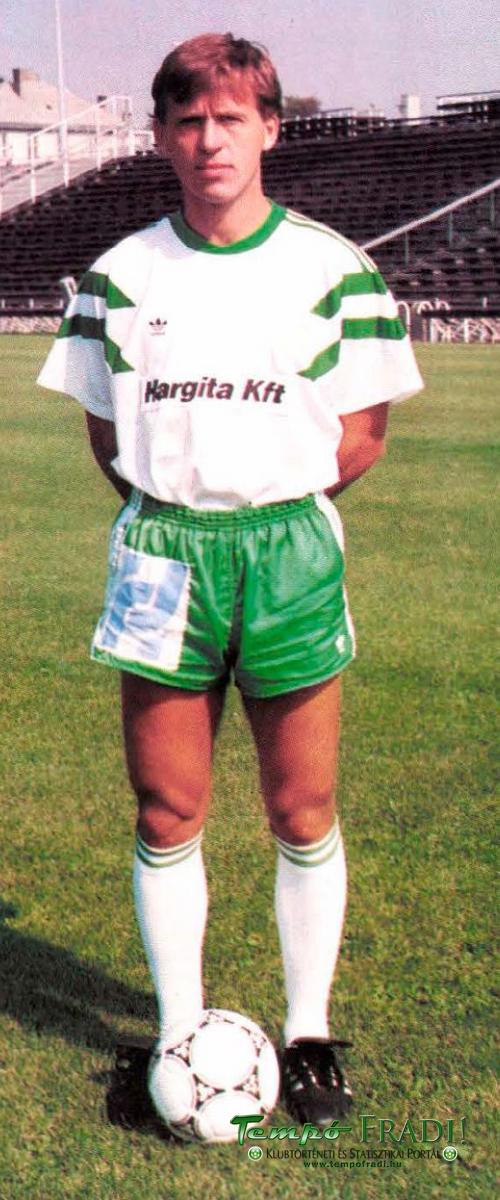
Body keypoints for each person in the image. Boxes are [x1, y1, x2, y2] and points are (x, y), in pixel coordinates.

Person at [38, 32, 423, 1126]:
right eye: (189, 120)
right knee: (167, 807)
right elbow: (108, 438)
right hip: (162, 552)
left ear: (270, 129)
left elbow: (360, 436)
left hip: (287, 549)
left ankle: (308, 1035)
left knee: (302, 805)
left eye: (231, 118)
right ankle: (176, 1029)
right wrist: (185, 512)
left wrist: (264, 504)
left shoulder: (332, 268)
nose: (211, 139)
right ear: (163, 136)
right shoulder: (120, 275)